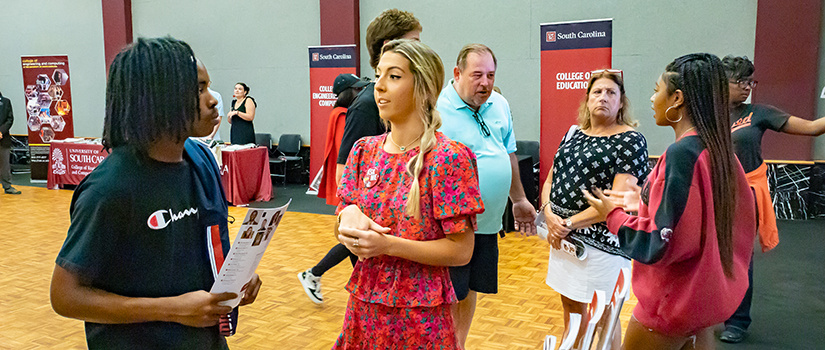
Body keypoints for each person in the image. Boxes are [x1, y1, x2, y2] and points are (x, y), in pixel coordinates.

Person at [49, 37, 262, 349]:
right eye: (199, 89)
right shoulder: (110, 189)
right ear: (159, 99)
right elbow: (65, 296)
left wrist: (234, 282)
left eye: (209, 86)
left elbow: (205, 250)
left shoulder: (201, 159)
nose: (214, 99)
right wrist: (172, 310)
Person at [584, 53, 756, 349]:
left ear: (676, 98)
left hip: (672, 303)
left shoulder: (681, 155)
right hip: (704, 300)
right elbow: (702, 216)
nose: (652, 99)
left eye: (656, 90)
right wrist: (645, 201)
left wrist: (612, 215)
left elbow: (660, 242)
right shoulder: (719, 150)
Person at [332, 39, 484, 349]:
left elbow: (461, 251)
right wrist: (346, 221)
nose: (380, 87)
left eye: (394, 76)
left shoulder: (447, 158)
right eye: (379, 75)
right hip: (364, 308)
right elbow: (343, 216)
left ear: (424, 87)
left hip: (420, 318)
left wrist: (388, 245)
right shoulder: (365, 152)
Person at [435, 43, 537, 349]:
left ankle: (459, 344)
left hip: (489, 223)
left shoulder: (499, 104)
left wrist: (518, 200)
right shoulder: (437, 110)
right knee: (448, 290)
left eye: (491, 75)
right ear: (458, 73)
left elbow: (508, 153)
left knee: (470, 288)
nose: (486, 83)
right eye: (477, 75)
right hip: (451, 226)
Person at [718, 55, 825, 344]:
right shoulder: (706, 114)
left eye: (750, 80)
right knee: (707, 254)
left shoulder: (758, 113)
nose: (747, 87)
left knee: (740, 257)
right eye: (740, 81)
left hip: (745, 194)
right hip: (713, 190)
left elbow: (814, 127)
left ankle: (737, 321)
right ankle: (706, 310)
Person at [539, 69, 648, 348]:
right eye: (597, 92)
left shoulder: (631, 140)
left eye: (611, 92)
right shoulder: (573, 133)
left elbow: (619, 199)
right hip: (564, 243)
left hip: (602, 248)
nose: (603, 97)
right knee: (573, 314)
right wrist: (549, 214)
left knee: (605, 318)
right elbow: (552, 176)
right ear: (587, 100)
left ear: (621, 102)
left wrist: (567, 224)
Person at [299, 73, 367, 305]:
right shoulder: (342, 116)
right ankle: (314, 273)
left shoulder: (341, 114)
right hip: (353, 187)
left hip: (352, 186)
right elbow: (345, 156)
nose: (361, 94)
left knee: (355, 241)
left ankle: (360, 285)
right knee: (353, 240)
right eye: (357, 90)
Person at [335, 9, 422, 182]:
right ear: (388, 46)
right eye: (414, 43)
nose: (420, 50)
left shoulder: (412, 99)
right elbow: (343, 176)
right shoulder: (366, 106)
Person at [0, 89, 21, 195]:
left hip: (3, 139)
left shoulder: (6, 102)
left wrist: (1, 131)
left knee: (4, 164)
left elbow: (10, 119)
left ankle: (7, 186)